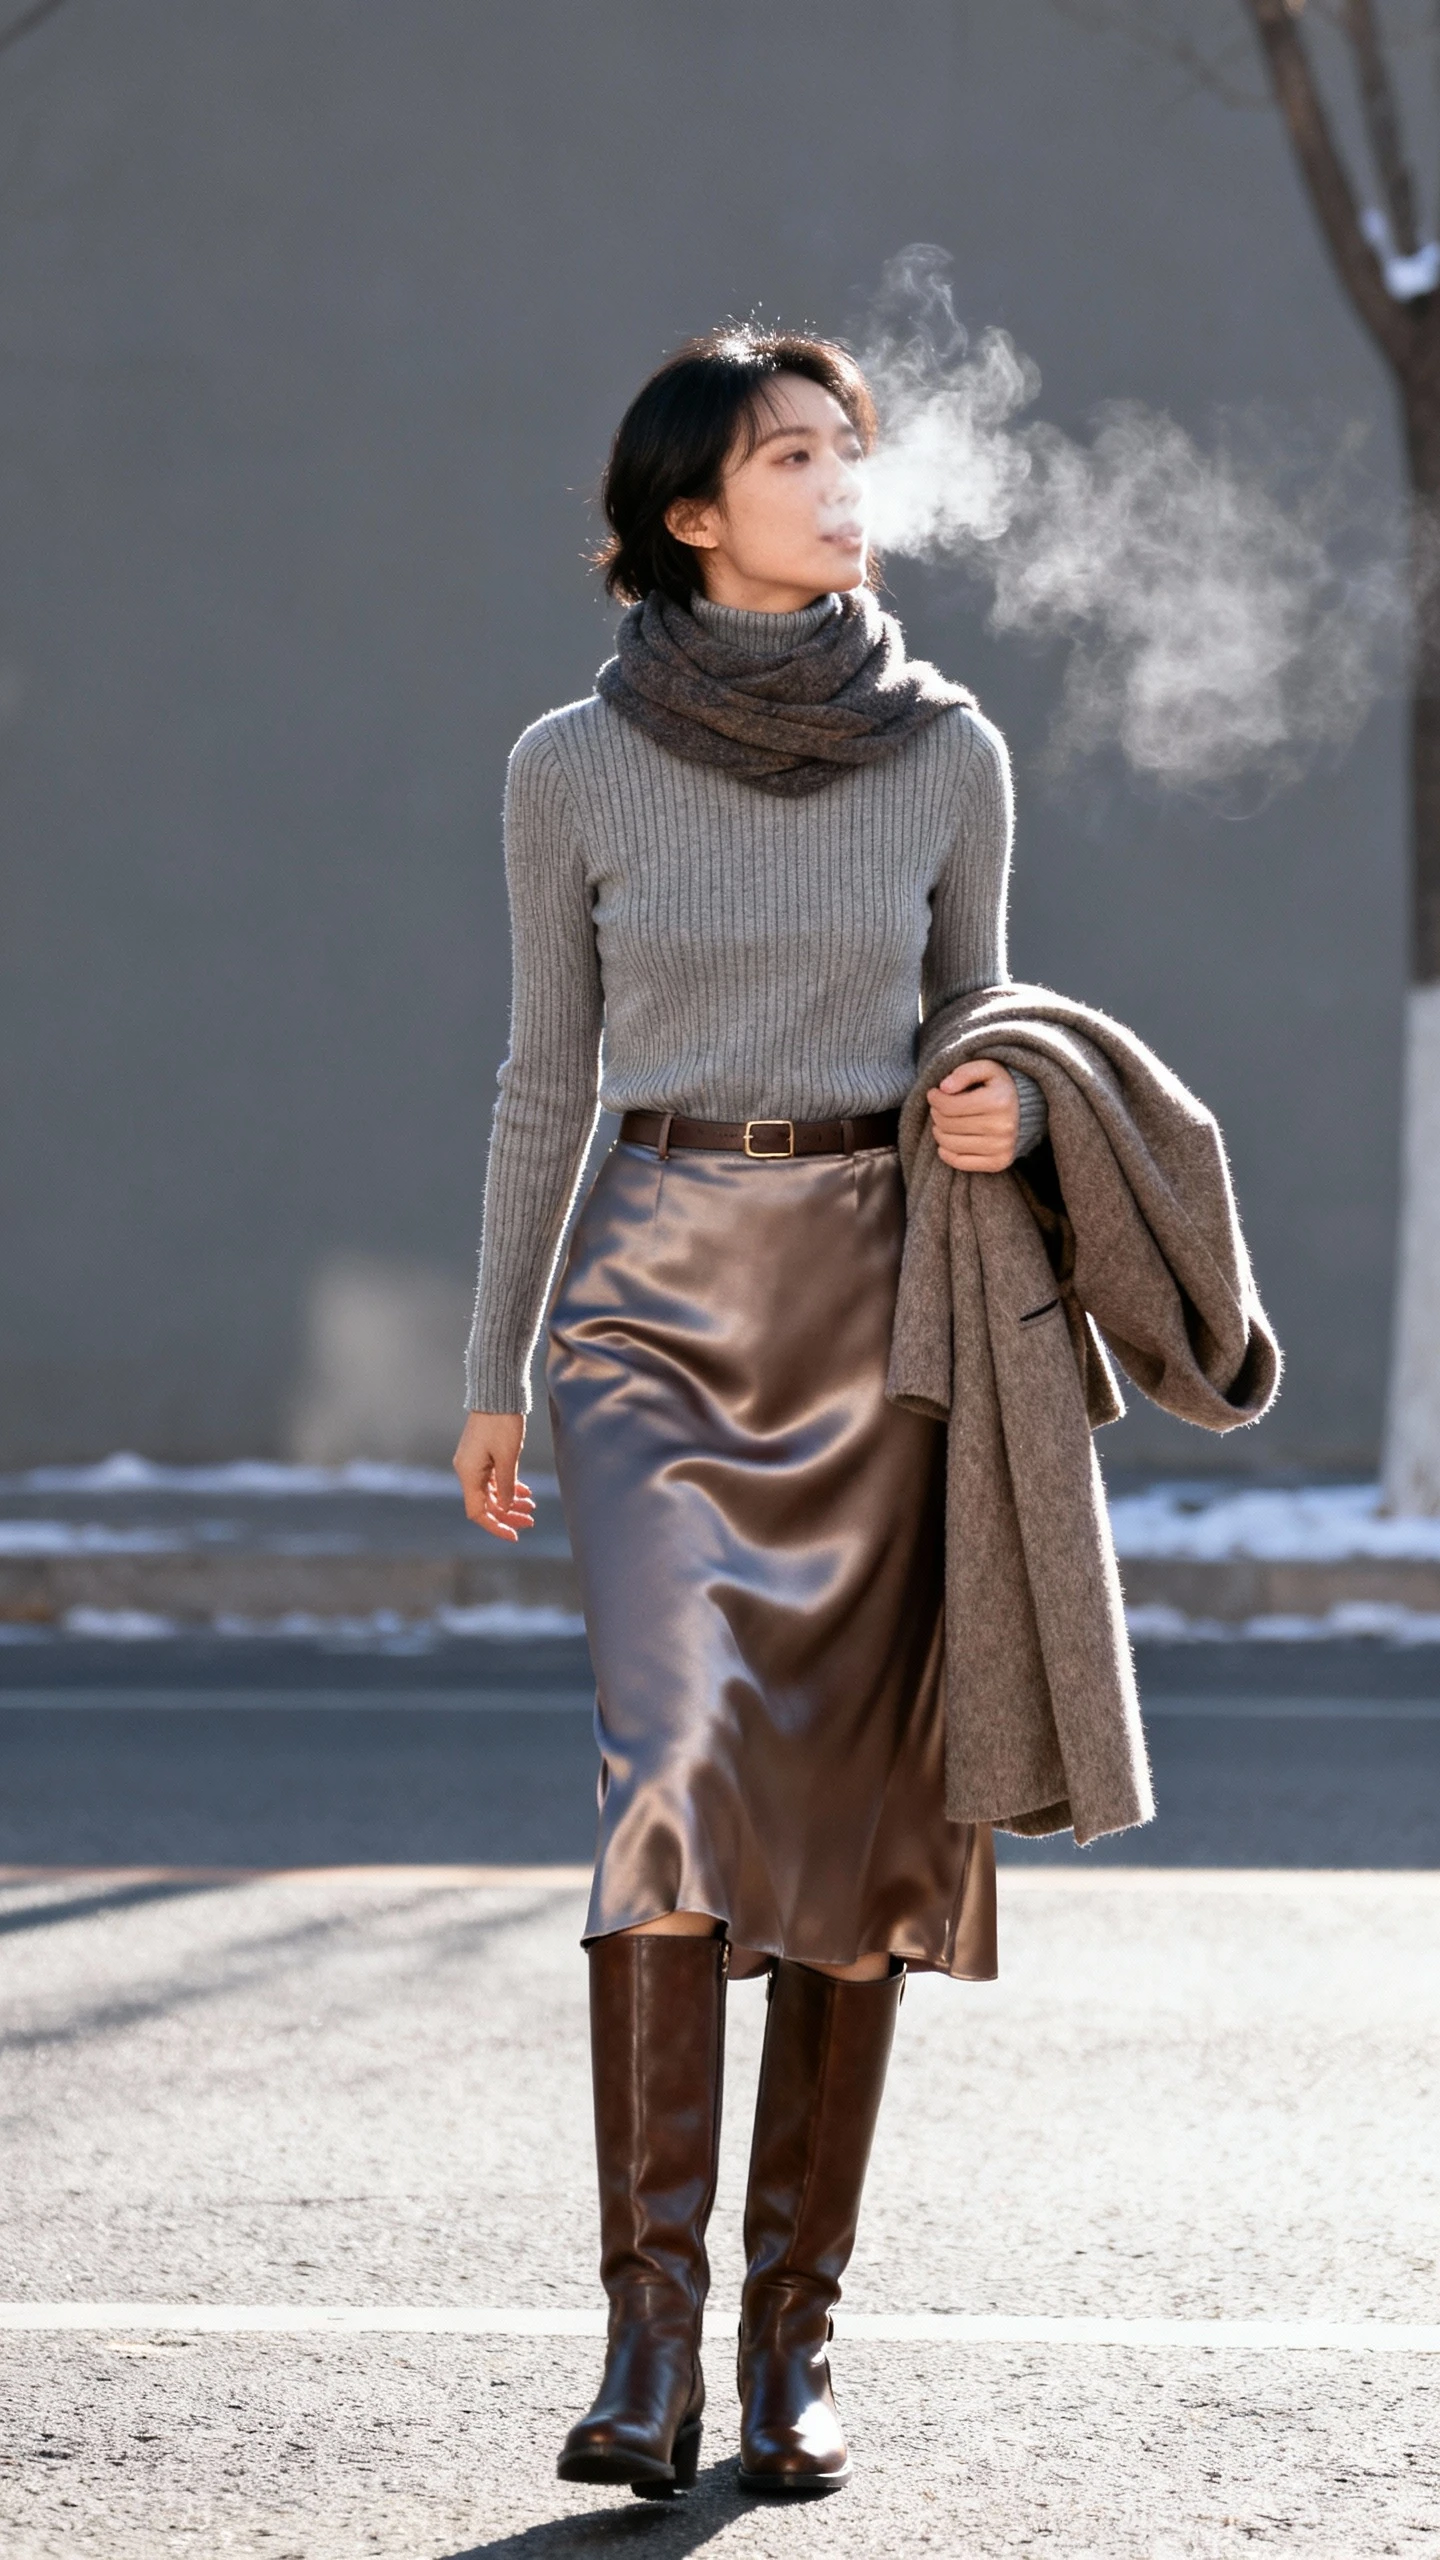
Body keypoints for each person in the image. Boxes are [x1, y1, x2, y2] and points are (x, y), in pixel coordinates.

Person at [453, 326, 1048, 2500]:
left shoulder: (952, 745)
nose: (835, 477)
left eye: (845, 446)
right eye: (789, 453)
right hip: (647, 1311)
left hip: (880, 1305)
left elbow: (989, 1013)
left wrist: (1000, 1099)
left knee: (859, 1831)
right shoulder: (568, 764)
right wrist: (492, 1362)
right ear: (688, 511)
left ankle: (793, 2341)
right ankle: (647, 2334)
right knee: (677, 1779)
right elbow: (544, 1072)